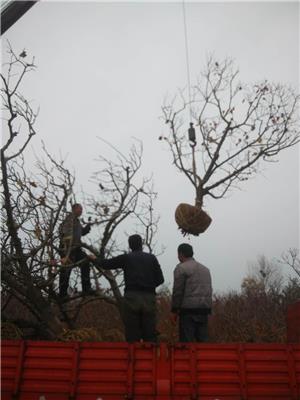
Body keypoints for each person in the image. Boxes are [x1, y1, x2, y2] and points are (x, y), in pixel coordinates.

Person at [92, 234, 164, 342]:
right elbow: (160, 279)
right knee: (149, 332)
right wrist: (149, 287)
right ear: (142, 244)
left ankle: (133, 356)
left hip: (132, 297)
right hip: (149, 298)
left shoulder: (126, 258)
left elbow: (106, 264)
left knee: (132, 332)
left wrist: (94, 259)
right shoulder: (151, 258)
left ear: (130, 246)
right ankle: (149, 356)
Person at [171, 243, 212, 342]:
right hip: (204, 311)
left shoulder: (181, 268)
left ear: (181, 254)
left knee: (186, 347)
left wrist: (174, 310)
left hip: (188, 313)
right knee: (203, 346)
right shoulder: (206, 269)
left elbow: (178, 291)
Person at [59, 203, 94, 297]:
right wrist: (67, 248)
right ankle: (62, 294)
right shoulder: (69, 219)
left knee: (86, 262)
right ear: (74, 209)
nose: (82, 211)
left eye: (82, 209)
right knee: (66, 271)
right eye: (80, 209)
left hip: (77, 249)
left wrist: (87, 228)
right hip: (67, 249)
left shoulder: (77, 221)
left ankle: (86, 288)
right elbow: (63, 232)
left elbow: (80, 233)